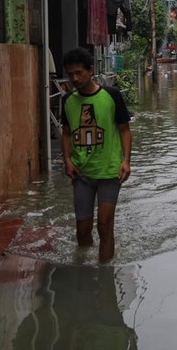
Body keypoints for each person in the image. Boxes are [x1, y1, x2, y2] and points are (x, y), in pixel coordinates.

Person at [60, 47, 132, 261]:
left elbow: (125, 130)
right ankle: (83, 271)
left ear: (91, 70)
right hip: (81, 173)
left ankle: (105, 274)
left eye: (79, 73)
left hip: (109, 172)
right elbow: (66, 133)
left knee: (104, 225)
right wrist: (67, 161)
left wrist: (126, 161)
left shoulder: (112, 96)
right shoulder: (67, 100)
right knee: (82, 229)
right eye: (70, 74)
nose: (74, 78)